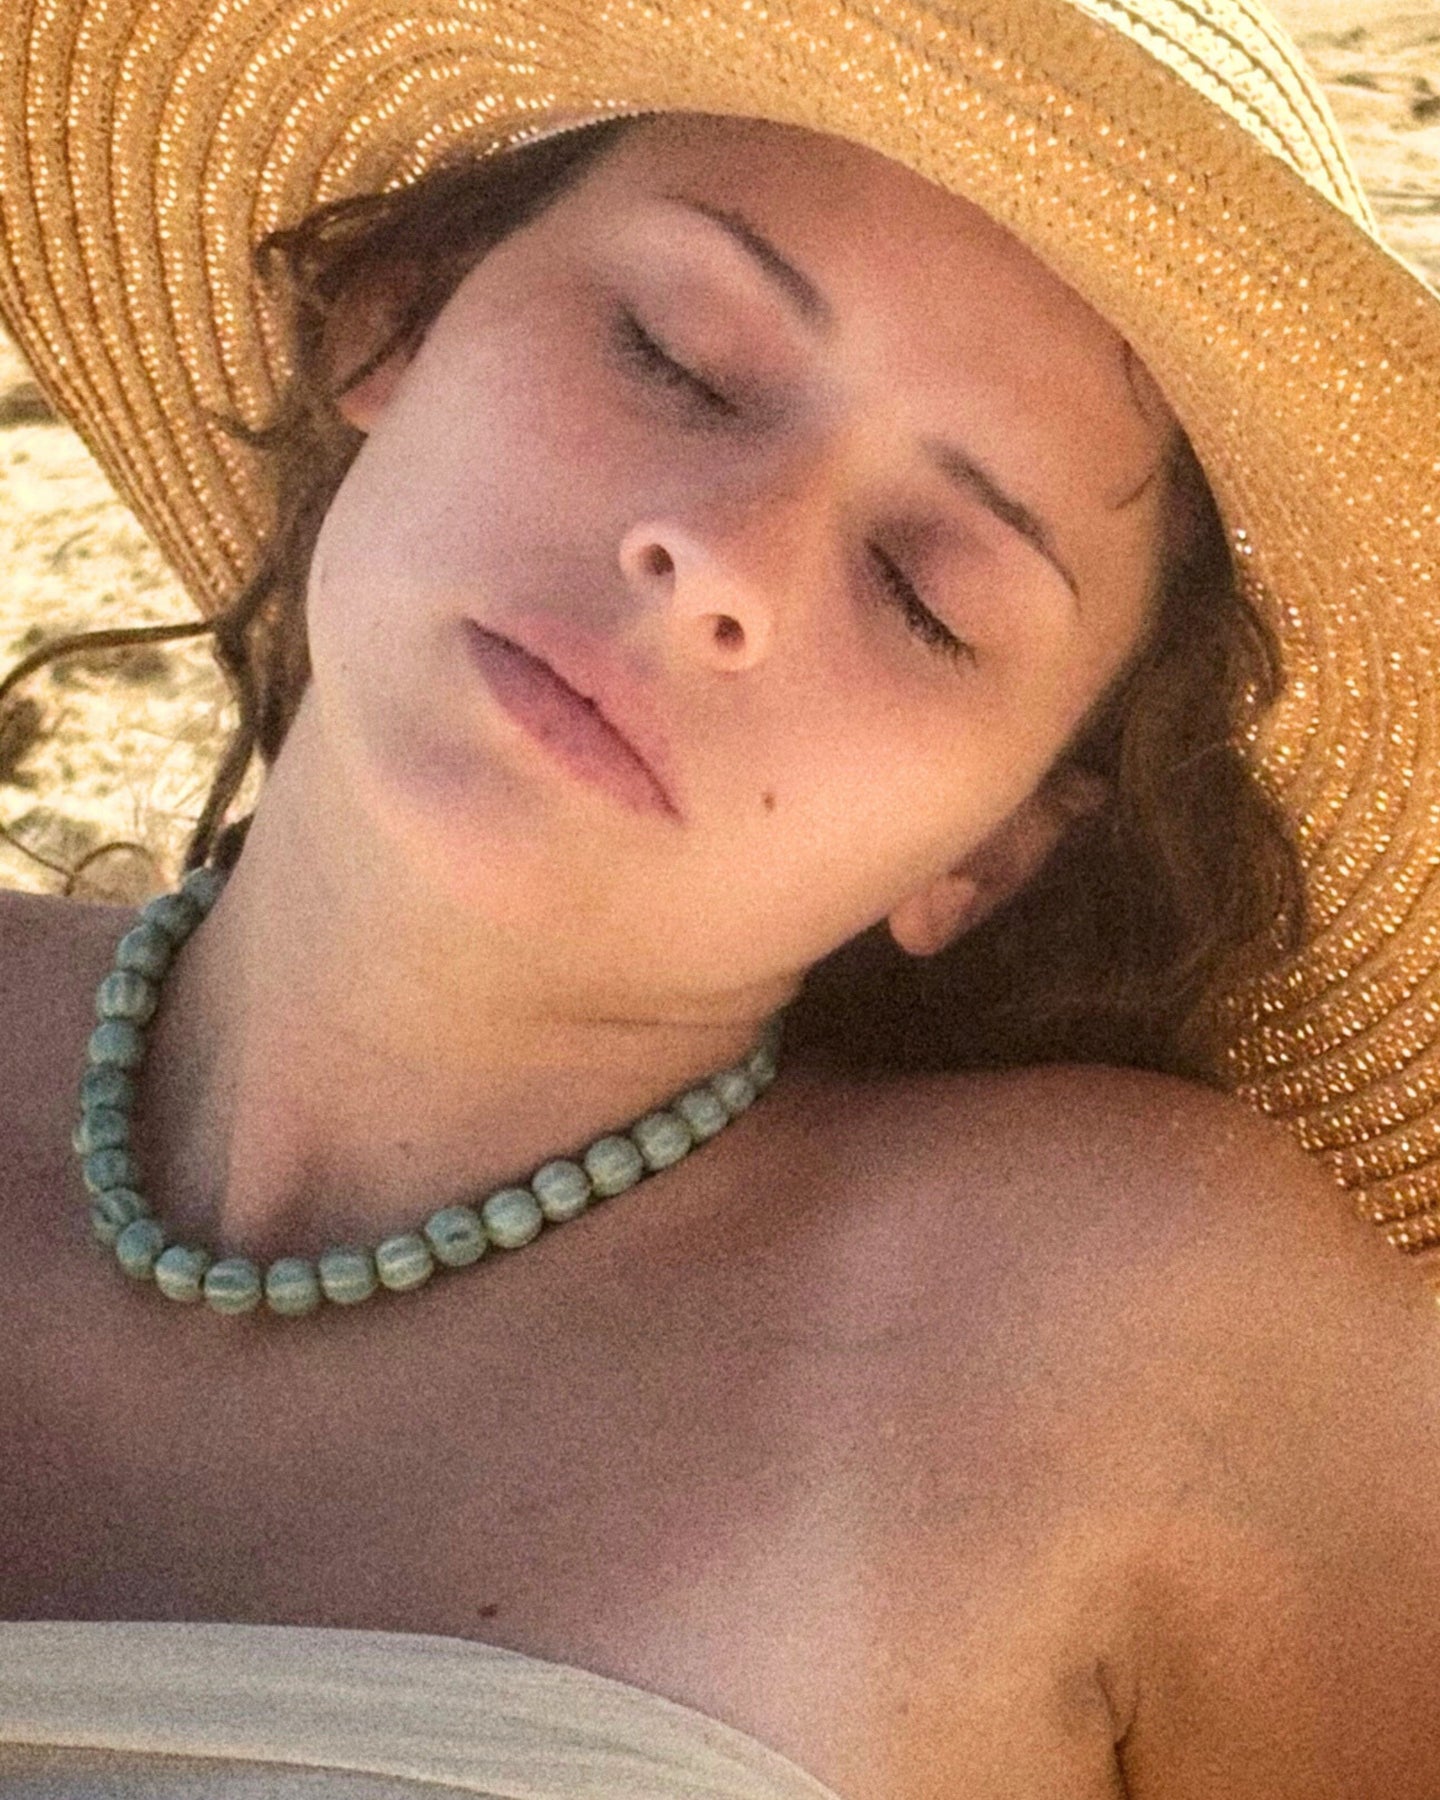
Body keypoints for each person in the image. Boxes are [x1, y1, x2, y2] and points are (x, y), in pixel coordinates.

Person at [0, 0, 1438, 1795]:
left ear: (996, 847)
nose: (720, 565)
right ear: (394, 314)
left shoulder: (1147, 1332)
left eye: (924, 590)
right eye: (676, 360)